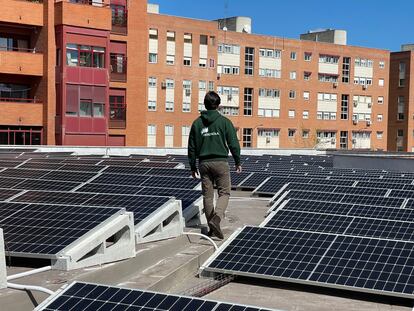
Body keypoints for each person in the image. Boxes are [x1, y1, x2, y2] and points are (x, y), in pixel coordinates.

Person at [188, 91, 241, 239]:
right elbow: (233, 143)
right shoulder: (224, 122)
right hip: (220, 162)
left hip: (203, 163)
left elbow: (191, 147)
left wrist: (192, 166)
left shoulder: (197, 123)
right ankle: (216, 219)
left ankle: (212, 228)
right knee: (224, 193)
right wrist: (238, 161)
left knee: (208, 196)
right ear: (218, 105)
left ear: (205, 105)